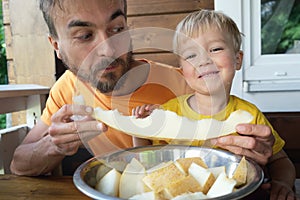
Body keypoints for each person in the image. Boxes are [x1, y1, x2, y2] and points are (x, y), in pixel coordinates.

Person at [10, 0, 275, 182]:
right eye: (85, 35)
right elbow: (18, 165)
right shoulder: (65, 90)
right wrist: (52, 146)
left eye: (117, 29)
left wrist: (261, 156)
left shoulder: (185, 84)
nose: (110, 48)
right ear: (56, 45)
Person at [132, 10, 296, 200]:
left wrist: (282, 183)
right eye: (191, 55)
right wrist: (140, 129)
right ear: (183, 70)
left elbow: (281, 161)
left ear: (237, 60)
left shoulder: (250, 116)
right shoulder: (168, 112)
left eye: (215, 49)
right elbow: (146, 160)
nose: (204, 60)